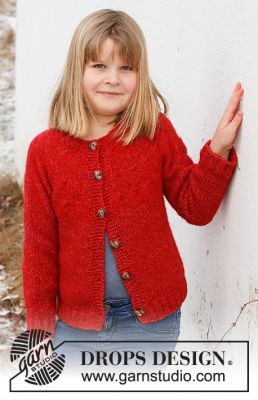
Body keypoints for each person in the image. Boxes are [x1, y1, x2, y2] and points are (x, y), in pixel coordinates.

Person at [21, 9, 243, 366]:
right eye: (99, 66)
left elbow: (195, 206)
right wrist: (40, 330)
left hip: (151, 323)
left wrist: (217, 149)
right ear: (77, 70)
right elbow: (39, 247)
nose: (113, 79)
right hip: (76, 329)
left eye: (126, 68)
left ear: (140, 75)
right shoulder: (45, 151)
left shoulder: (154, 133)